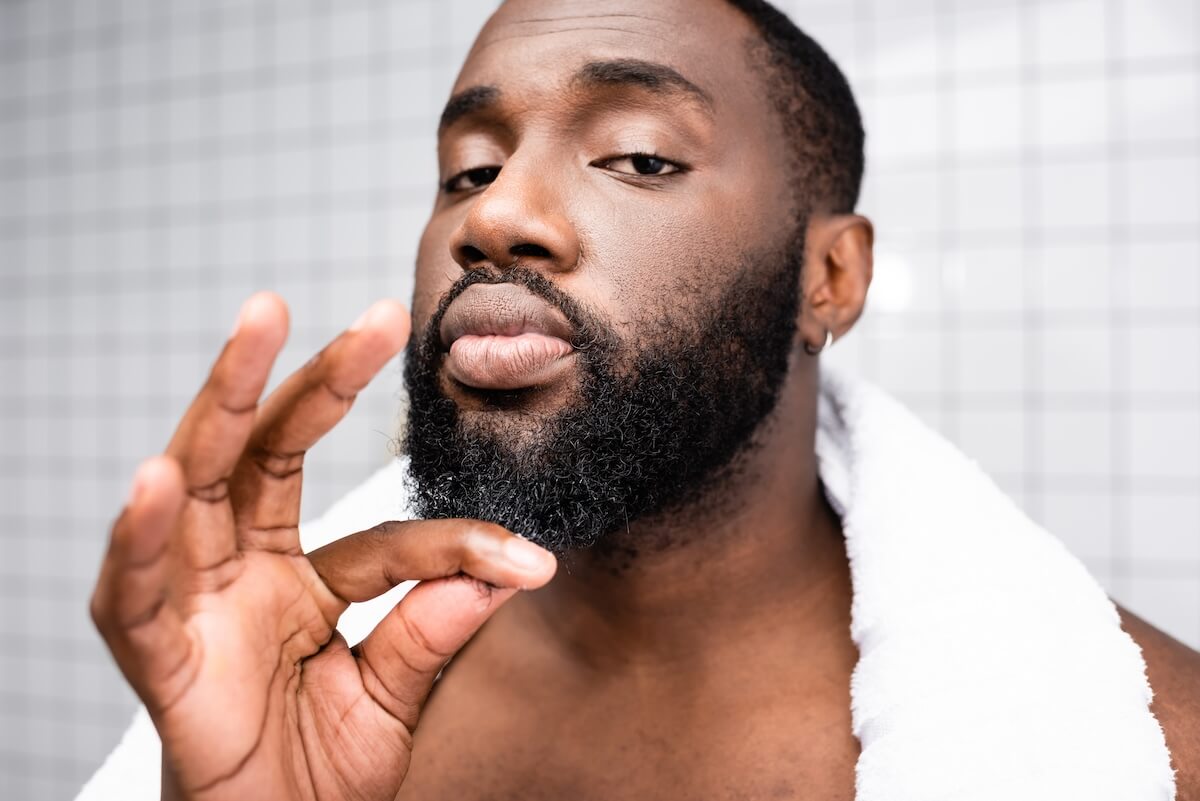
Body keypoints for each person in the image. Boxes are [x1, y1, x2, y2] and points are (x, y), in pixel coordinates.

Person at [84, 0, 1199, 799]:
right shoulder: (326, 682)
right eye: (468, 169)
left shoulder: (1154, 752)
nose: (494, 215)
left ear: (831, 278)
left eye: (638, 157)